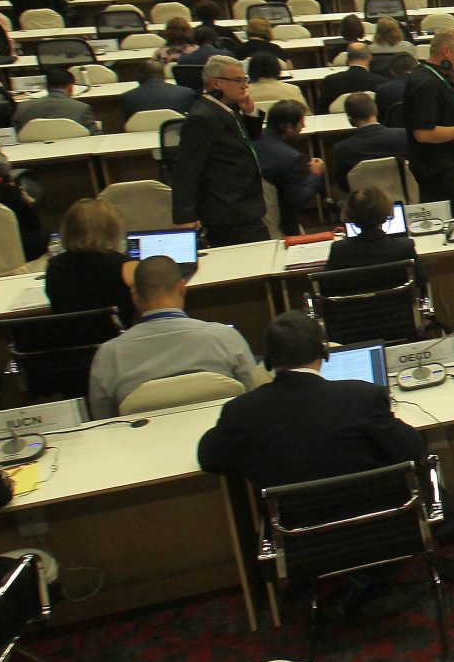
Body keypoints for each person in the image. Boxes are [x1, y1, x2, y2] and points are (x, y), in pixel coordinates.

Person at [197, 311, 425, 492]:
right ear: (323, 352)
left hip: (298, 540)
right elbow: (413, 449)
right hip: (381, 526)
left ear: (268, 360)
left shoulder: (241, 412)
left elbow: (209, 459)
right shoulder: (363, 396)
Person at [87, 256, 258, 418]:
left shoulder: (108, 356)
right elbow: (256, 398)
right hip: (224, 442)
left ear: (134, 296)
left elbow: (104, 423)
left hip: (144, 446)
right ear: (182, 289)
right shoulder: (226, 338)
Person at [172, 55, 268, 247]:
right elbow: (186, 170)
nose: (245, 85)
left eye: (245, 79)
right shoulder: (202, 118)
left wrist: (250, 113)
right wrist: (184, 217)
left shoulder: (227, 107)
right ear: (217, 83)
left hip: (243, 205)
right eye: (238, 80)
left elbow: (249, 138)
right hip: (227, 211)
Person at [402, 29, 454, 218]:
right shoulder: (427, 84)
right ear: (447, 52)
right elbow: (422, 133)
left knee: (440, 220)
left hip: (444, 165)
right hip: (437, 169)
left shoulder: (435, 77)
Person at [45, 197, 136, 325]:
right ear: (112, 229)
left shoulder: (54, 268)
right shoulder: (128, 268)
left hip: (72, 342)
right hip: (118, 341)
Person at [256, 101, 324, 235]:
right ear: (287, 126)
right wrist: (315, 175)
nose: (304, 126)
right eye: (301, 122)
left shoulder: (254, 137)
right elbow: (297, 200)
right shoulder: (291, 158)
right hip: (279, 221)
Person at [327, 187, 423, 282]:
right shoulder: (405, 247)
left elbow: (326, 289)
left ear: (349, 216)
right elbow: (421, 281)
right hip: (399, 297)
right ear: (385, 214)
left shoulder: (339, 251)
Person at [327, 92, 410, 195]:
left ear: (350, 120)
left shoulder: (342, 149)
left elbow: (344, 186)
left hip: (364, 206)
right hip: (405, 201)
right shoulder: (404, 136)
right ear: (376, 112)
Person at [11, 67, 97, 134]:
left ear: (47, 87)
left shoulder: (22, 107)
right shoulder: (82, 108)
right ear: (71, 88)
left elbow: (17, 137)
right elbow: (94, 137)